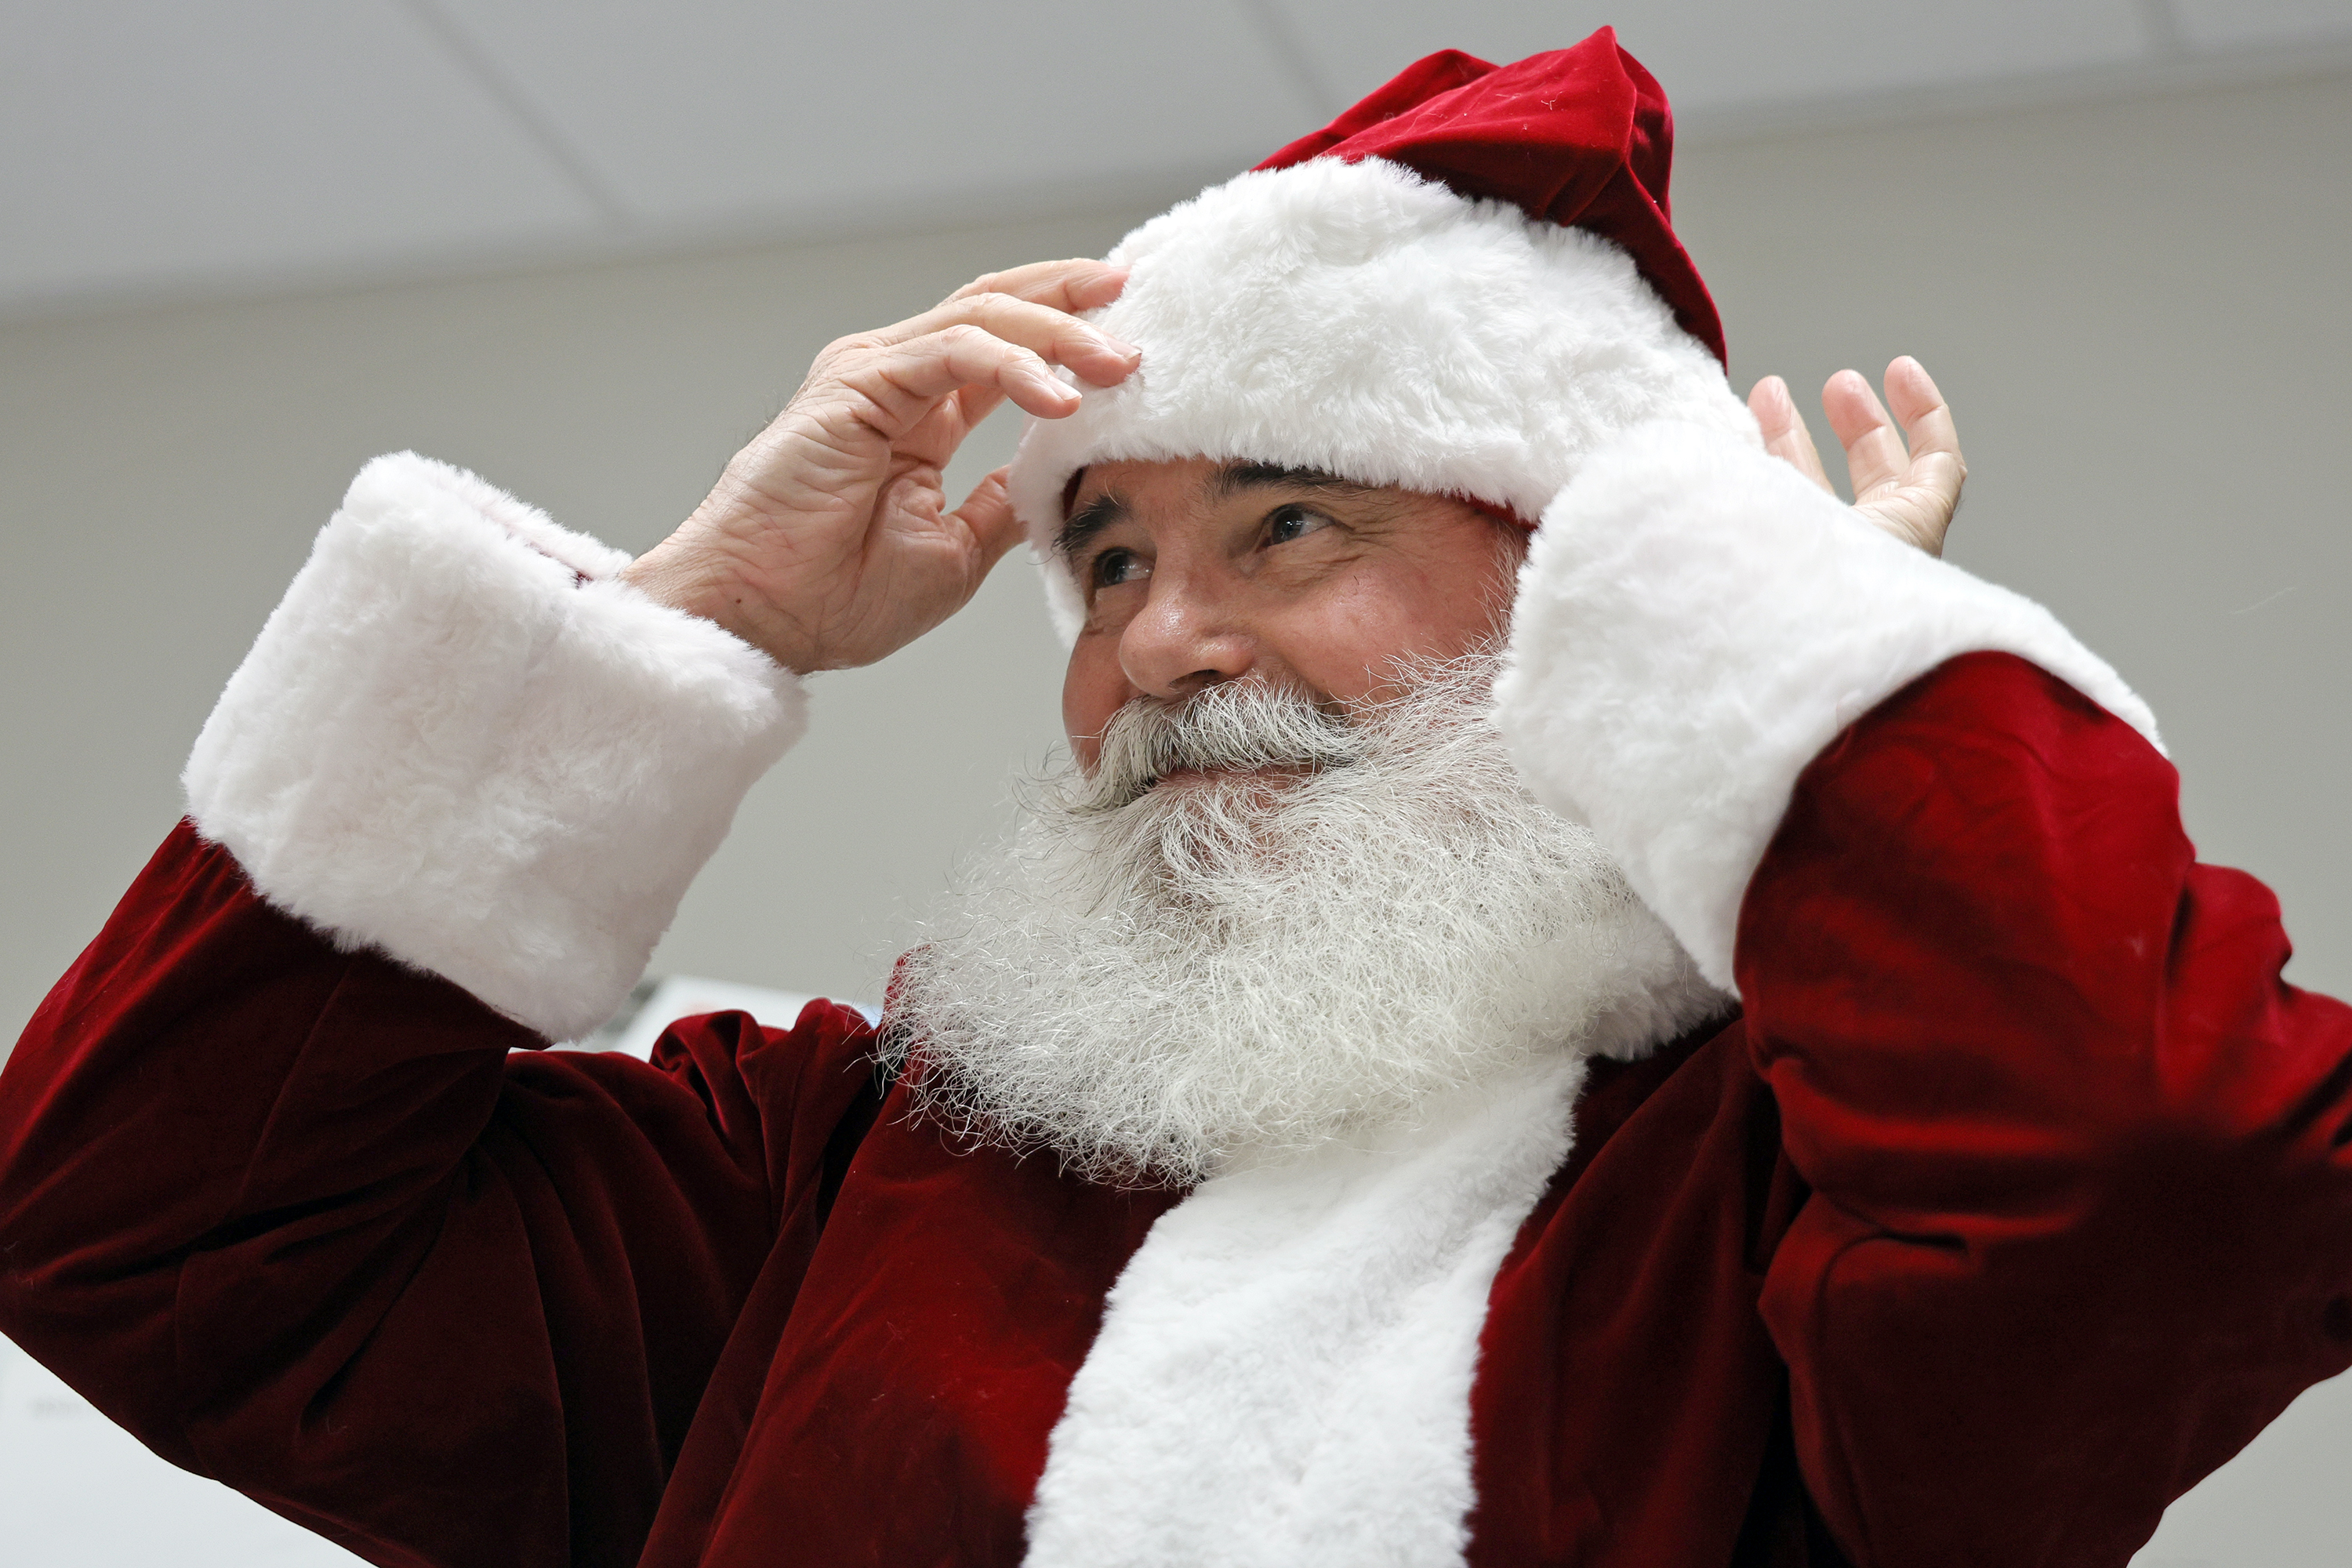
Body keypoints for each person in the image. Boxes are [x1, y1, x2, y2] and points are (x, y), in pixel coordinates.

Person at [2, 29, 2348, 1568]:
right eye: (1103, 556)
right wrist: (690, 612)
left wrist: (1783, 650)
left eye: (1291, 529)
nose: (1156, 650)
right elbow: (143, 1235)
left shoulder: (1794, 1190)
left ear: (1602, 594)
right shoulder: (839, 1180)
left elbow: (2161, 1175)